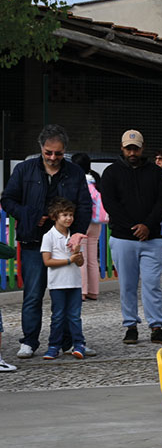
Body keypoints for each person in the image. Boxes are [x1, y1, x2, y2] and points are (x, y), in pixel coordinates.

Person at [1, 124, 91, 358]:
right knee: (33, 293)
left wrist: (78, 233)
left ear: (65, 151)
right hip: (33, 240)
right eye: (48, 152)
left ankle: (68, 342)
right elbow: (8, 200)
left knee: (67, 293)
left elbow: (84, 205)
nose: (53, 157)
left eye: (58, 153)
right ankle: (29, 341)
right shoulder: (24, 170)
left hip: (65, 243)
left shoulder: (75, 173)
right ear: (41, 148)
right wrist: (28, 214)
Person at [99, 129, 162, 345]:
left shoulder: (155, 172)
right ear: (122, 148)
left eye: (136, 148)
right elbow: (110, 203)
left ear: (142, 148)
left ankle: (156, 326)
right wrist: (134, 227)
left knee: (152, 284)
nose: (132, 152)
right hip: (123, 238)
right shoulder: (111, 173)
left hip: (152, 239)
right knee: (127, 285)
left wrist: (147, 225)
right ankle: (130, 326)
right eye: (128, 148)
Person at [39, 197, 88, 360]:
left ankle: (79, 343)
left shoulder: (74, 236)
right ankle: (54, 345)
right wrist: (69, 260)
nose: (69, 218)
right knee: (58, 316)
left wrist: (77, 254)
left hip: (74, 282)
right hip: (57, 283)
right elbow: (47, 261)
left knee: (75, 315)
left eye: (71, 215)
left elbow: (80, 262)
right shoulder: (49, 236)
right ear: (55, 216)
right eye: (65, 215)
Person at [70, 153, 106, 302]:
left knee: (81, 257)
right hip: (97, 223)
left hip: (82, 223)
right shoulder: (96, 179)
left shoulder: (76, 180)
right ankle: (94, 291)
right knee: (92, 258)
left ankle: (82, 291)